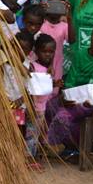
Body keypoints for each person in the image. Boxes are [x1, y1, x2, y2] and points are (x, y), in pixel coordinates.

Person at [45, 22, 93, 159]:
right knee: (50, 106)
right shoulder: (81, 55)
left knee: (63, 116)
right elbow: (70, 82)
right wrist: (67, 96)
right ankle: (67, 145)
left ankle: (73, 146)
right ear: (91, 36)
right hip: (76, 96)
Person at [26, 33, 57, 170]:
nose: (48, 55)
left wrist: (55, 83)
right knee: (30, 134)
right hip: (33, 107)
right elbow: (31, 88)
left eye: (51, 52)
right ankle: (29, 159)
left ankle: (32, 156)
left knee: (35, 133)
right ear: (36, 51)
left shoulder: (48, 69)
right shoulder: (32, 67)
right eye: (44, 51)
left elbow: (45, 88)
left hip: (41, 108)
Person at [41, 0, 69, 80]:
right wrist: (40, 10)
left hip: (57, 61)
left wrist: (68, 15)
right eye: (52, 5)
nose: (55, 8)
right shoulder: (41, 22)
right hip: (40, 58)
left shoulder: (64, 26)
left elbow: (71, 40)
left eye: (59, 5)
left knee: (55, 86)